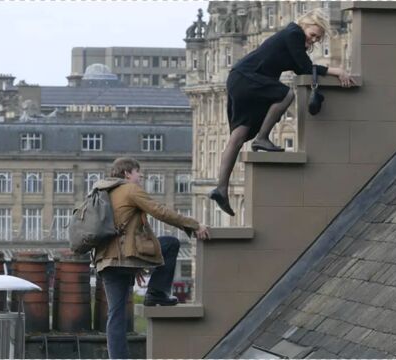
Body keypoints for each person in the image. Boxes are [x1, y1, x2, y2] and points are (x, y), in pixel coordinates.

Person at [210, 8, 356, 217]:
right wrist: (337, 71)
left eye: (317, 38)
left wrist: (307, 51)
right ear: (305, 23)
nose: (314, 40)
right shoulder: (293, 32)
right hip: (248, 78)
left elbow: (299, 67)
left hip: (240, 78)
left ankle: (221, 189)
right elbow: (306, 68)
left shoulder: (293, 38)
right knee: (286, 94)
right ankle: (262, 138)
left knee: (239, 136)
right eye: (313, 34)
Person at [94, 157, 210, 359]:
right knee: (170, 244)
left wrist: (135, 265)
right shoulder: (129, 189)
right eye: (138, 173)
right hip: (125, 256)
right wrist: (193, 225)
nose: (141, 177)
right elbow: (160, 211)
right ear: (127, 173)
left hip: (106, 260)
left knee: (116, 314)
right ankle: (156, 293)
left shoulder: (101, 191)